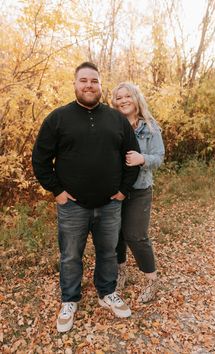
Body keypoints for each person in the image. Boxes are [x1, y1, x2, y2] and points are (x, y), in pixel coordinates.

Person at [32, 62, 140, 332]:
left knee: (108, 252)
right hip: (73, 206)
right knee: (70, 255)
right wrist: (57, 191)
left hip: (110, 204)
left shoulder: (116, 119)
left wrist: (123, 190)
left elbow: (132, 156)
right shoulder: (58, 118)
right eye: (84, 80)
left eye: (94, 81)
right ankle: (69, 299)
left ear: (101, 85)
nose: (89, 85)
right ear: (75, 84)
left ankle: (107, 293)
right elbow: (40, 159)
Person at [112, 82, 165, 303]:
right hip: (114, 189)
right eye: (119, 97)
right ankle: (120, 272)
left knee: (136, 235)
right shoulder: (112, 124)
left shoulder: (150, 127)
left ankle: (152, 281)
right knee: (116, 234)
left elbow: (159, 157)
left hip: (140, 190)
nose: (123, 100)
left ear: (136, 99)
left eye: (127, 96)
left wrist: (142, 159)